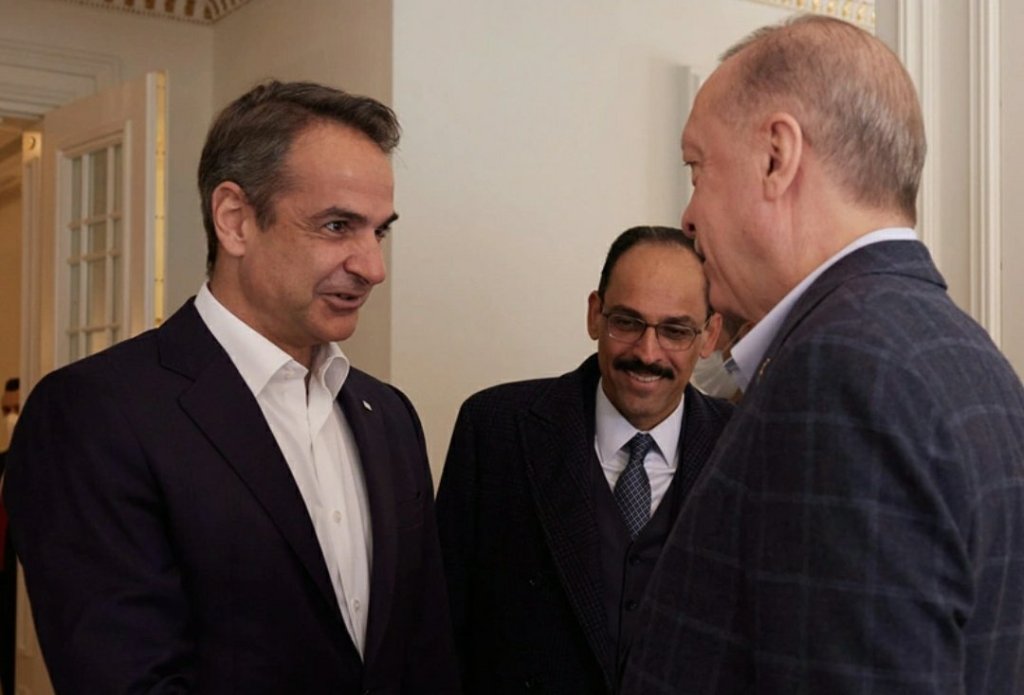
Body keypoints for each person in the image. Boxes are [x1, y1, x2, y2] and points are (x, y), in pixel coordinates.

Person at [3, 81, 459, 694]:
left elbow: (425, 656)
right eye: (337, 225)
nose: (372, 267)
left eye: (379, 232)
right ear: (235, 220)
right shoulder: (94, 413)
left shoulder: (389, 416)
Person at [620, 15, 1024, 695]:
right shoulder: (973, 358)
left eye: (697, 168)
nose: (687, 215)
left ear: (776, 157)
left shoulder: (842, 373)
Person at [437, 226, 734, 694]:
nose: (647, 353)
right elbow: (441, 627)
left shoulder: (746, 447)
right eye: (627, 323)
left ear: (709, 335)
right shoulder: (495, 430)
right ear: (595, 315)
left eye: (675, 331)